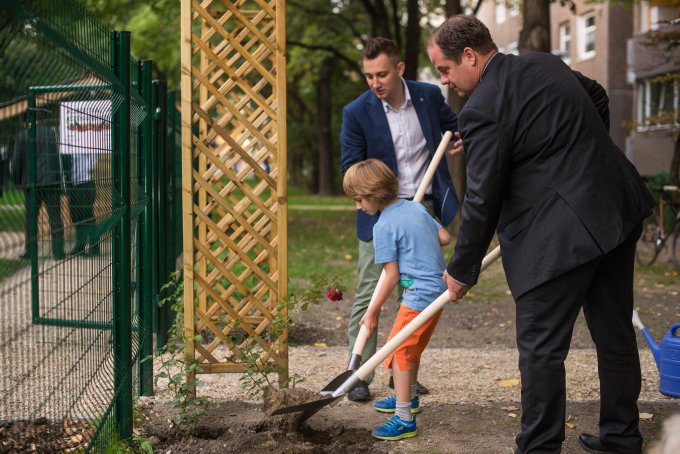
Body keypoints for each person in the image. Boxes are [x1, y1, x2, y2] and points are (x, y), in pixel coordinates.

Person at [427, 15, 654, 454]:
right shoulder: (543, 64)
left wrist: (461, 271)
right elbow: (596, 96)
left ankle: (539, 447)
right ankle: (623, 438)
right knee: (614, 335)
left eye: (445, 69)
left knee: (541, 349)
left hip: (560, 239)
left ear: (470, 56)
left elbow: (482, 199)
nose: (445, 81)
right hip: (613, 208)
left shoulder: (480, 109)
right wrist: (577, 152)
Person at [340, 36, 461, 402]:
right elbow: (352, 167)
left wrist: (461, 137)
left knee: (416, 291)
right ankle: (358, 372)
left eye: (381, 74)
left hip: (422, 207)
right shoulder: (357, 112)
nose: (375, 83)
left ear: (399, 69)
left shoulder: (427, 96)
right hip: (382, 210)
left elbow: (454, 125)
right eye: (368, 76)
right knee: (370, 290)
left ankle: (402, 375)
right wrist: (378, 194)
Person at [343, 159, 451, 440]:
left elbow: (390, 277)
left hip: (418, 295)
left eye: (358, 199)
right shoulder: (416, 207)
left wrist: (372, 311)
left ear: (373, 193)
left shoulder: (383, 226)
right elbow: (444, 237)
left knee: (399, 354)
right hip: (438, 291)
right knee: (410, 350)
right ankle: (409, 398)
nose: (358, 207)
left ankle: (404, 419)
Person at [10, 115, 65, 260]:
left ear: (26, 121)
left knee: (31, 219)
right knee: (55, 217)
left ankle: (31, 251)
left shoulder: (22, 136)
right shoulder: (53, 134)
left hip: (31, 183)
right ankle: (58, 251)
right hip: (52, 181)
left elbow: (16, 162)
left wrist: (17, 181)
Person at [67, 152, 100, 256]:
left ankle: (94, 247)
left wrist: (84, 169)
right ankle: (80, 246)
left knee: (87, 216)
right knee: (76, 216)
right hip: (72, 185)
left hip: (85, 182)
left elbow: (93, 160)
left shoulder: (84, 142)